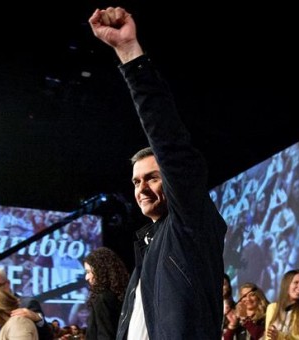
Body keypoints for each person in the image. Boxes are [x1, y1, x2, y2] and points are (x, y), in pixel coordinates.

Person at [89, 7, 228, 340]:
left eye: (152, 177)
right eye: (136, 181)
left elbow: (169, 140)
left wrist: (128, 54)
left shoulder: (188, 224)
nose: (142, 188)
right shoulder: (148, 247)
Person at [83, 247, 129, 340]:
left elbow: (105, 336)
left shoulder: (101, 298)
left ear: (100, 271)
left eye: (88, 272)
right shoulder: (123, 295)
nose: (86, 277)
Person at [265, 269, 299, 339]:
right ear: (286, 284)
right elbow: (268, 337)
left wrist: (281, 336)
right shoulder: (272, 307)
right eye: (296, 282)